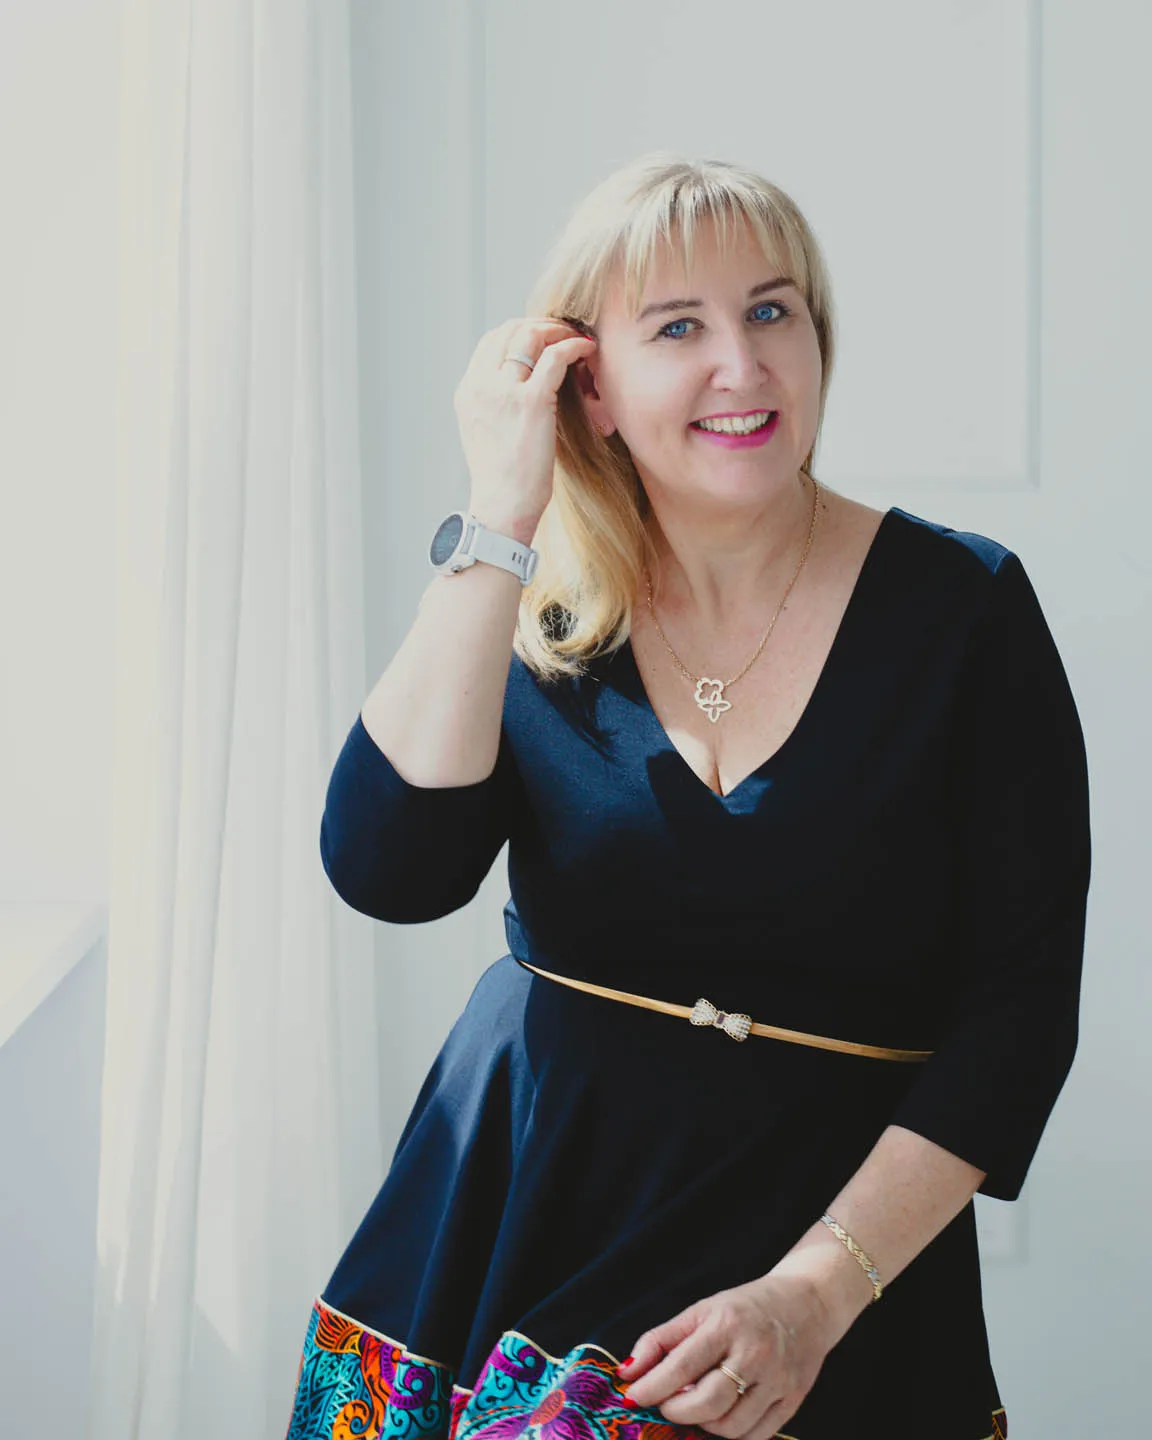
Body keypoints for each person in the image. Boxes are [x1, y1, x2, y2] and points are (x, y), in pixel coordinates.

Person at [283, 153, 1091, 1440]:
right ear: (588, 386)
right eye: (677, 328)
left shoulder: (965, 609)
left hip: (829, 1266)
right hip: (510, 1232)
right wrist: (501, 512)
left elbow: (1021, 1015)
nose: (742, 363)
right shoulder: (532, 608)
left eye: (772, 311)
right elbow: (389, 871)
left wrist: (813, 1296)